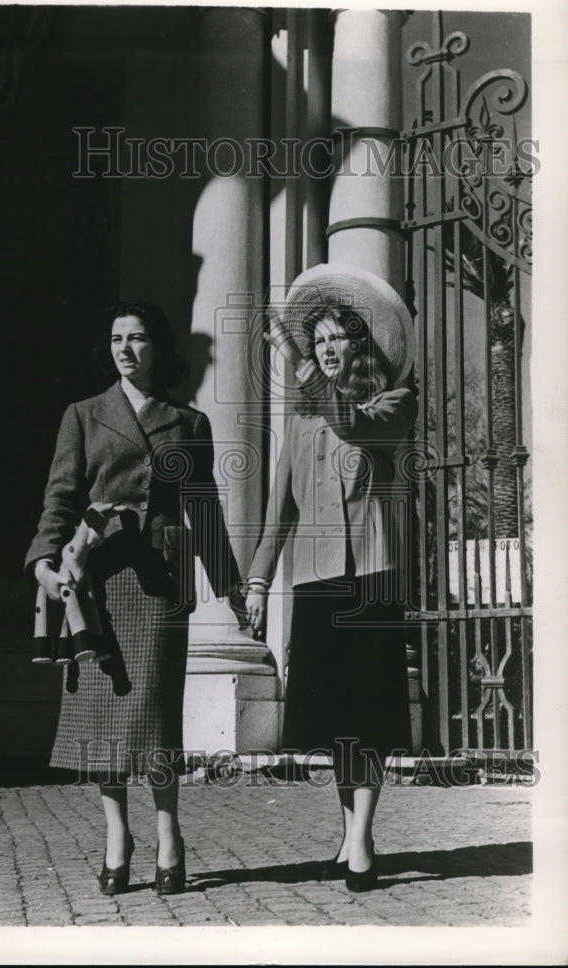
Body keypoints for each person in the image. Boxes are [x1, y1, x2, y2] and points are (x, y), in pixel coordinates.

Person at [26, 301, 246, 896]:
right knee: (102, 710)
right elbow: (61, 498)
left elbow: (203, 508)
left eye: (139, 338)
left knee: (152, 712)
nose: (126, 348)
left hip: (160, 585)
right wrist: (45, 563)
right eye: (117, 337)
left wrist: (230, 582)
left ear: (159, 349)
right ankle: (116, 836)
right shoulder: (84, 415)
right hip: (97, 580)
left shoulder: (189, 422)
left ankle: (169, 835)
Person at [245, 263, 417, 893]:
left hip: (372, 578)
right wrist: (258, 584)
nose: (324, 351)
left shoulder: (394, 404)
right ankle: (351, 840)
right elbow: (276, 519)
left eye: (334, 341)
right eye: (316, 343)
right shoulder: (299, 426)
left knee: (368, 713)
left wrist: (293, 358)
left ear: (359, 345)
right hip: (316, 584)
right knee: (336, 721)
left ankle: (362, 841)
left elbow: (353, 423)